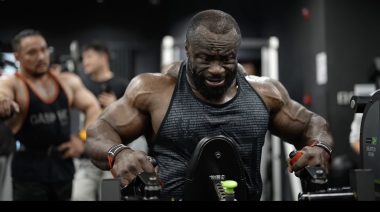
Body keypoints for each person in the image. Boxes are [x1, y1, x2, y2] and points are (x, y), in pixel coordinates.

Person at [85, 9, 334, 200]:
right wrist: (119, 153)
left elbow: (313, 123)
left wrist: (321, 147)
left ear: (236, 54)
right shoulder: (154, 90)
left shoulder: (265, 93)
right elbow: (99, 131)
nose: (216, 70)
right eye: (205, 58)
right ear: (188, 50)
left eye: (226, 59)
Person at [0, 29, 101, 201]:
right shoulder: (14, 83)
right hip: (29, 174)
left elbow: (93, 107)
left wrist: (81, 139)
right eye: (32, 52)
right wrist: (3, 102)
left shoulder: (67, 81)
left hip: (63, 168)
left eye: (43, 49)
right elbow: (3, 92)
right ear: (17, 57)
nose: (41, 56)